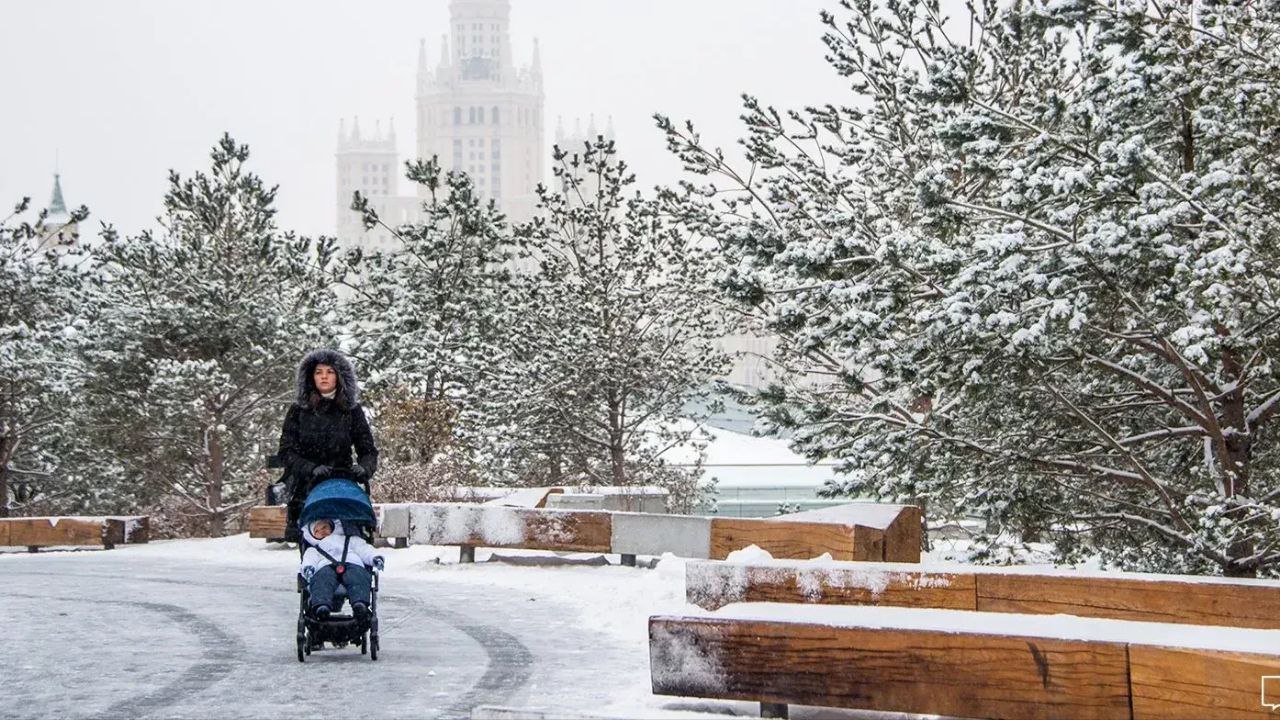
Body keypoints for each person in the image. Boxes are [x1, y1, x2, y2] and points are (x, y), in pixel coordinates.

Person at [276, 349, 379, 541]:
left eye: (329, 372)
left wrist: (364, 468)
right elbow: (286, 451)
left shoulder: (351, 411)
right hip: (307, 485)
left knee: (350, 538)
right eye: (318, 372)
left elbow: (367, 449)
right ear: (310, 377)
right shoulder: (298, 410)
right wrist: (310, 468)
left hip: (342, 482)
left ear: (339, 376)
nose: (324, 377)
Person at [300, 518, 384, 620]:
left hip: (351, 562)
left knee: (358, 576)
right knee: (321, 579)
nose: (321, 531)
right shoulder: (314, 549)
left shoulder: (349, 540)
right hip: (326, 566)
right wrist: (308, 568)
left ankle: (360, 603)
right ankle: (322, 605)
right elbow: (309, 559)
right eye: (316, 530)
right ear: (313, 535)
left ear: (332, 528)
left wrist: (375, 557)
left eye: (324, 527)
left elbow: (364, 549)